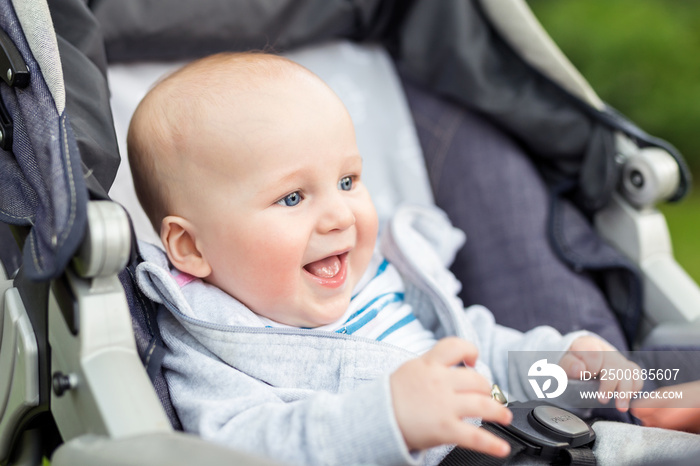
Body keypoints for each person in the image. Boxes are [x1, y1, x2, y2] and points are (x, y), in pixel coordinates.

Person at [128, 52, 699, 465]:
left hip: (528, 438)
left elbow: (478, 350)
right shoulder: (215, 345)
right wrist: (386, 419)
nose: (339, 216)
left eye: (348, 180)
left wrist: (560, 365)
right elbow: (244, 446)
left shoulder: (378, 279)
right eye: (293, 197)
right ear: (191, 248)